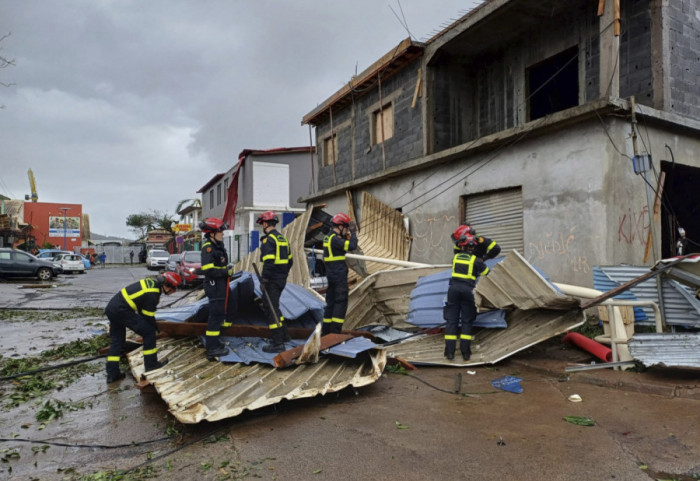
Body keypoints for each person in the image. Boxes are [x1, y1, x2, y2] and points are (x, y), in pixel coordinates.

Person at [104, 271, 182, 383]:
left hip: (112, 309)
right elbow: (147, 316)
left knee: (117, 341)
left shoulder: (151, 284)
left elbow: (142, 309)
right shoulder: (154, 293)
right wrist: (155, 329)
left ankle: (112, 374)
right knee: (149, 333)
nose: (174, 291)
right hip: (122, 311)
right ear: (168, 286)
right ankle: (151, 365)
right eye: (174, 288)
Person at [444, 231, 490, 361]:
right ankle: (465, 353)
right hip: (468, 291)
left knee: (452, 321)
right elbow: (487, 272)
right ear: (472, 247)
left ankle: (450, 352)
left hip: (453, 290)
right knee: (466, 321)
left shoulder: (455, 258)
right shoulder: (475, 260)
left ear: (461, 246)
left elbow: (456, 250)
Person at [256, 211, 293, 353]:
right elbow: (290, 261)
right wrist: (282, 274)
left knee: (270, 309)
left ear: (265, 224)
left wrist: (264, 280)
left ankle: (277, 343)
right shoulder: (282, 239)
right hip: (281, 279)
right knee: (275, 307)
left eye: (262, 224)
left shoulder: (268, 240)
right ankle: (285, 335)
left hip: (271, 280)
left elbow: (269, 262)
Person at [199, 217, 231, 360]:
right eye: (220, 231)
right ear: (211, 233)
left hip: (220, 284)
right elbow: (208, 270)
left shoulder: (218, 246)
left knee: (219, 315)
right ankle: (212, 348)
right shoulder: (208, 248)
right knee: (215, 315)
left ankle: (215, 342)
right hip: (214, 285)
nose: (222, 234)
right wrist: (225, 272)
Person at [322, 213, 358, 335]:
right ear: (340, 226)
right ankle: (335, 334)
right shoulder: (335, 239)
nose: (347, 230)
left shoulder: (328, 237)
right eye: (346, 227)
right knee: (340, 303)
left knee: (330, 304)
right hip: (339, 276)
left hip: (331, 276)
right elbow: (352, 246)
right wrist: (353, 233)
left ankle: (325, 333)